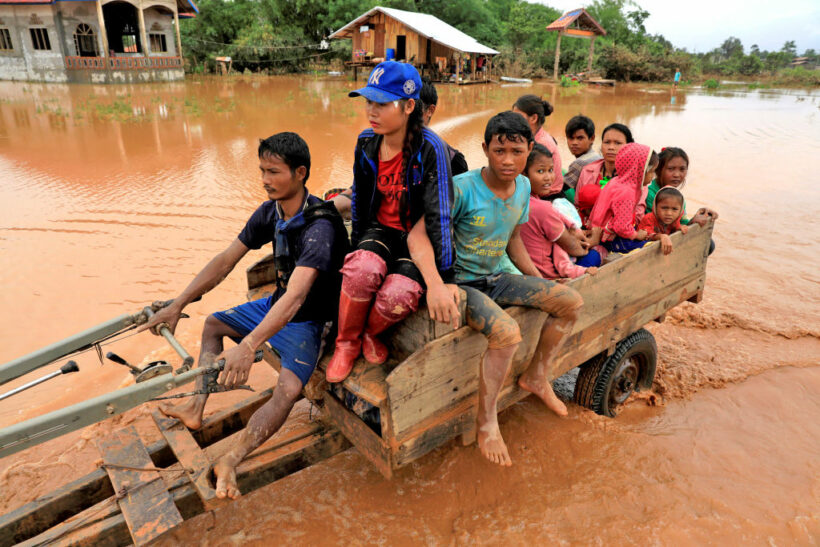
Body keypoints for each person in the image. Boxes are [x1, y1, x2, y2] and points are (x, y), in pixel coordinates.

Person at [141, 132, 349, 499]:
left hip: (311, 319)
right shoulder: (270, 212)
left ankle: (233, 459)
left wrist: (250, 344)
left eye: (274, 172)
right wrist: (179, 303)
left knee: (288, 390)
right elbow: (225, 260)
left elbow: (298, 296)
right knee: (213, 324)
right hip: (277, 305)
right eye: (262, 171)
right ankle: (195, 406)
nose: (265, 180)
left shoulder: (321, 226)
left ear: (300, 173)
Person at [408, 112, 583, 466]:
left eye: (516, 151)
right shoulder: (461, 188)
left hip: (495, 276)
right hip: (460, 282)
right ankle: (487, 421)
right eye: (499, 150)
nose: (507, 160)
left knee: (570, 302)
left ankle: (537, 376)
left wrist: (538, 278)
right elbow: (417, 235)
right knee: (507, 333)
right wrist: (437, 286)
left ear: (529, 150)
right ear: (485, 148)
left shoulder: (522, 187)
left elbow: (513, 238)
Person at [325, 61, 458, 383]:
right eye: (369, 102)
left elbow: (440, 214)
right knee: (360, 270)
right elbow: (358, 200)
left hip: (416, 233)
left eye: (382, 104)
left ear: (409, 106)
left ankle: (371, 333)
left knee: (400, 295)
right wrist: (358, 245)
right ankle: (346, 342)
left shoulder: (431, 149)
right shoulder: (366, 142)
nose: (372, 111)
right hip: (379, 229)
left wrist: (446, 276)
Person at [329, 78, 467, 218]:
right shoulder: (377, 146)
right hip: (381, 219)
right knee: (332, 205)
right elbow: (362, 188)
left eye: (414, 110)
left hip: (417, 224)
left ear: (429, 111)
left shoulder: (450, 159)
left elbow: (453, 207)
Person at [520, 143, 600, 279]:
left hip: (527, 271)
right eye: (540, 171)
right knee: (594, 255)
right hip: (550, 276)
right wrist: (594, 240)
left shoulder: (516, 199)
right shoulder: (543, 208)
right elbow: (575, 249)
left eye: (550, 170)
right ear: (524, 173)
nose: (548, 177)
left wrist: (575, 230)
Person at [588, 143, 658, 254]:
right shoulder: (627, 192)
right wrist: (636, 235)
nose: (653, 176)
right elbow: (621, 227)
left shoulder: (617, 181)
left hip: (601, 231)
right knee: (650, 248)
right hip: (612, 238)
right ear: (640, 170)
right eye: (652, 171)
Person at [646, 147, 719, 227]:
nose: (677, 175)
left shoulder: (677, 196)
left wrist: (701, 215)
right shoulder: (650, 194)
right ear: (658, 170)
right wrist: (691, 222)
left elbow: (682, 223)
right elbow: (664, 228)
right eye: (671, 169)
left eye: (682, 169)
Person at [512, 94, 563, 195]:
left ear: (533, 118)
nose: (513, 121)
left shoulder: (542, 144)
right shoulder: (532, 138)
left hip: (546, 194)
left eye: (518, 117)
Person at [574, 122, 634, 204]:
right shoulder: (587, 171)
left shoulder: (635, 176)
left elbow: (637, 213)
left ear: (629, 147)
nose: (611, 147)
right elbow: (578, 203)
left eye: (617, 143)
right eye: (607, 142)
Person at [638, 186, 688, 255]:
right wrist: (661, 236)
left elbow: (676, 228)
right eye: (664, 208)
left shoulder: (675, 220)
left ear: (680, 211)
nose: (669, 213)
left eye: (674, 209)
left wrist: (680, 227)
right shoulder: (649, 218)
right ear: (655, 207)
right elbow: (646, 234)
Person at [563, 115, 602, 193]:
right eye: (571, 138)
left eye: (580, 138)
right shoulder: (597, 156)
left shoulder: (580, 162)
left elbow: (560, 188)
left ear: (592, 138)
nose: (574, 143)